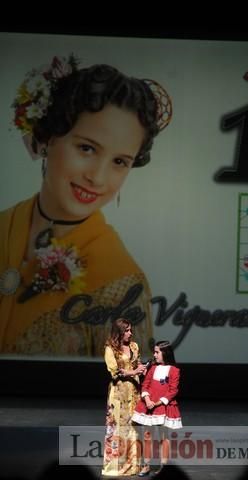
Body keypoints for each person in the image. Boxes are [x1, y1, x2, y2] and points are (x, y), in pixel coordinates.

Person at [0, 54, 172, 357]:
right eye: (87, 148)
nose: (97, 177)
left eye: (120, 162)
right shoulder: (5, 225)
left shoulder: (121, 284)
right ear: (46, 138)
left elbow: (126, 392)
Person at [102, 317, 146, 477]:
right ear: (119, 332)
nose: (130, 333)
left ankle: (133, 465)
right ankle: (115, 465)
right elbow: (114, 372)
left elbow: (137, 364)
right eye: (126, 330)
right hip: (119, 394)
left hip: (134, 392)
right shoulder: (110, 348)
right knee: (118, 429)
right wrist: (133, 372)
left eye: (131, 330)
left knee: (134, 429)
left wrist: (142, 369)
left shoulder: (134, 346)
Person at [132, 340, 183, 476]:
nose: (154, 355)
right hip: (149, 406)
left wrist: (158, 403)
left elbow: (173, 390)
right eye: (154, 352)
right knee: (147, 436)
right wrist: (148, 399)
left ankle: (163, 466)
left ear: (165, 353)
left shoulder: (174, 370)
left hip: (162, 407)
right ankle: (146, 465)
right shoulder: (153, 368)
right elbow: (145, 385)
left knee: (163, 438)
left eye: (157, 352)